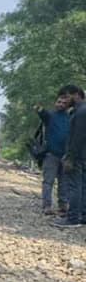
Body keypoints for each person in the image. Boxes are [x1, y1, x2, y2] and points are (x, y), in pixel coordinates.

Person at [52, 85, 86, 228]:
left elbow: (78, 137)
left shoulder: (80, 112)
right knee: (83, 186)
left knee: (74, 186)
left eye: (66, 97)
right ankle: (83, 216)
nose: (64, 101)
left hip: (77, 156)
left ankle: (72, 218)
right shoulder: (81, 110)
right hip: (83, 155)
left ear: (76, 94)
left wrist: (70, 157)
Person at [35, 92, 72, 215]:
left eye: (64, 103)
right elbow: (40, 111)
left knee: (64, 182)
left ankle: (63, 205)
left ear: (68, 105)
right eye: (59, 102)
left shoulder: (71, 118)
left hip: (66, 156)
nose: (61, 104)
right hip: (51, 154)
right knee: (48, 181)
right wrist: (37, 106)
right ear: (55, 103)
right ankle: (47, 206)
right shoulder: (50, 116)